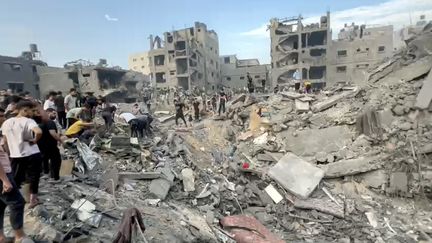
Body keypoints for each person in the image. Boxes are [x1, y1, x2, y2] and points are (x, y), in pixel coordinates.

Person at [1, 100, 43, 208]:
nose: (32, 113)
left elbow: (5, 142)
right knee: (34, 176)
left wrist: (9, 154)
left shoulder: (7, 122)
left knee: (15, 177)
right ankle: (33, 199)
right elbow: (38, 132)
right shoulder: (29, 121)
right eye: (31, 110)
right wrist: (34, 140)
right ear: (24, 110)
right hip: (32, 153)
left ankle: (10, 198)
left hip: (16, 155)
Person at [0, 108, 33, 243]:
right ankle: (19, 236)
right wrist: (5, 180)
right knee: (17, 202)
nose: (3, 118)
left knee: (0, 205)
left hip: (5, 173)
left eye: (3, 115)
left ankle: (1, 237)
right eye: (0, 116)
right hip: (2, 175)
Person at [37, 108, 63, 181]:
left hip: (41, 145)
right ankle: (55, 177)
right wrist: (61, 141)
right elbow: (53, 133)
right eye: (53, 113)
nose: (55, 115)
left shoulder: (40, 122)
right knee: (56, 160)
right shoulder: (50, 122)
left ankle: (46, 173)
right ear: (48, 113)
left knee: (45, 159)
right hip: (50, 145)